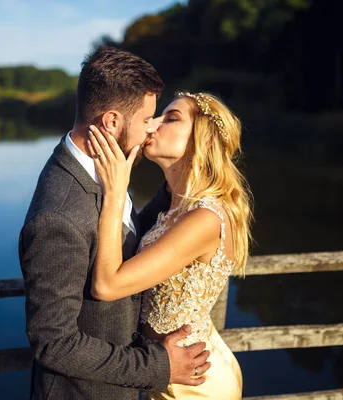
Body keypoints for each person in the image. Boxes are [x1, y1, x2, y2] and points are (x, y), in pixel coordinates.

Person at [18, 47, 211, 400]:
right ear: (111, 122)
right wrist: (158, 367)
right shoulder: (58, 216)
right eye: (146, 119)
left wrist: (182, 174)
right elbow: (54, 344)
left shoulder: (107, 172)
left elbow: (130, 232)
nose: (151, 128)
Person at [87, 91, 253, 399]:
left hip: (193, 383)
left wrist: (115, 191)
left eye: (171, 119)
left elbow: (107, 286)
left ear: (204, 140)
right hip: (170, 369)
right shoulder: (173, 208)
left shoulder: (204, 218)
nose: (152, 126)